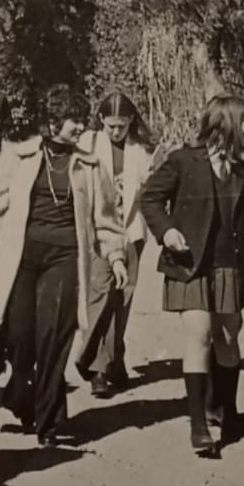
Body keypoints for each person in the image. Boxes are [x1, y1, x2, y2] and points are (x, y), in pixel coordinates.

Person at [0, 84, 126, 446]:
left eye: (81, 120)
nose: (80, 127)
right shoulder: (18, 157)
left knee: (53, 335)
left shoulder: (89, 165)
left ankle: (47, 422)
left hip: (65, 256)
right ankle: (21, 394)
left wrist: (116, 256)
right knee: (20, 336)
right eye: (73, 120)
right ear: (52, 122)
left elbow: (105, 218)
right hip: (21, 257)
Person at [140, 95, 244, 456]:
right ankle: (198, 425)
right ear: (226, 123)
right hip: (190, 265)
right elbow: (149, 198)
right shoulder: (184, 161)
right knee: (198, 335)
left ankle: (226, 410)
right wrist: (167, 231)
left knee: (228, 336)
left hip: (230, 267)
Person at [74, 92, 158, 397]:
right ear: (101, 121)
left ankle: (114, 358)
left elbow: (148, 191)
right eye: (110, 126)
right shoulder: (88, 143)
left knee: (123, 300)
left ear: (130, 121)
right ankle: (97, 366)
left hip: (131, 231)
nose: (115, 132)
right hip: (98, 231)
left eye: (121, 126)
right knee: (101, 295)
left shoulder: (141, 150)